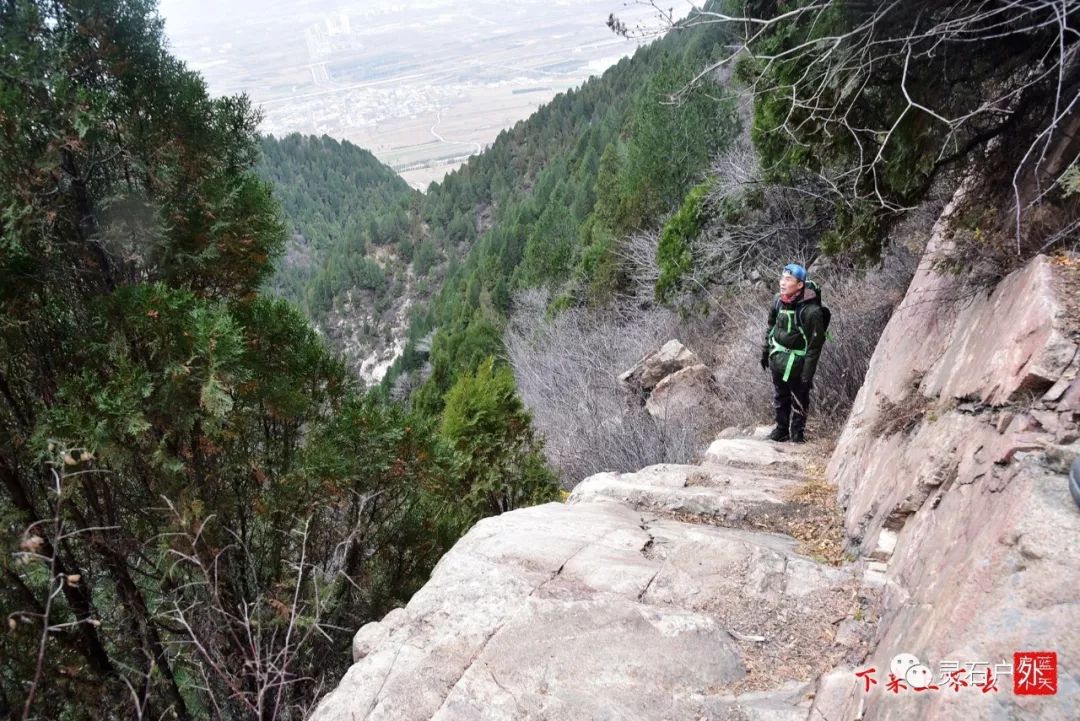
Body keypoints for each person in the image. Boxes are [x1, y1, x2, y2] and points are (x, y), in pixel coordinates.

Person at [760, 263, 826, 443]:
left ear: (800, 285)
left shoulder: (811, 312)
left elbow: (814, 347)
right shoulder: (777, 300)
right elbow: (771, 327)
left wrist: (807, 375)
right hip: (778, 358)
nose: (782, 282)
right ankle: (781, 430)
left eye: (788, 279)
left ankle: (797, 434)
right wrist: (766, 352)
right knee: (780, 397)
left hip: (797, 364)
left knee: (799, 399)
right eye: (782, 278)